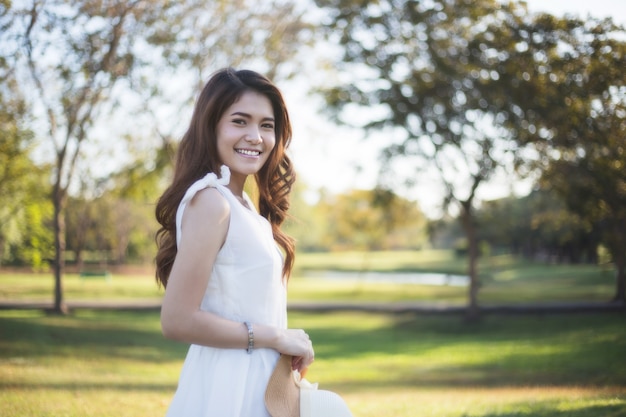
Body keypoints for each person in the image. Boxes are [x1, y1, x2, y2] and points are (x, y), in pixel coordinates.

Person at [155, 68, 315, 416]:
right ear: (210, 126)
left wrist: (287, 340)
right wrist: (274, 337)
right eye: (240, 121)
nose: (255, 136)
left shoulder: (244, 208)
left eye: (266, 125)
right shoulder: (211, 202)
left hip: (262, 383)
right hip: (230, 389)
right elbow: (177, 319)